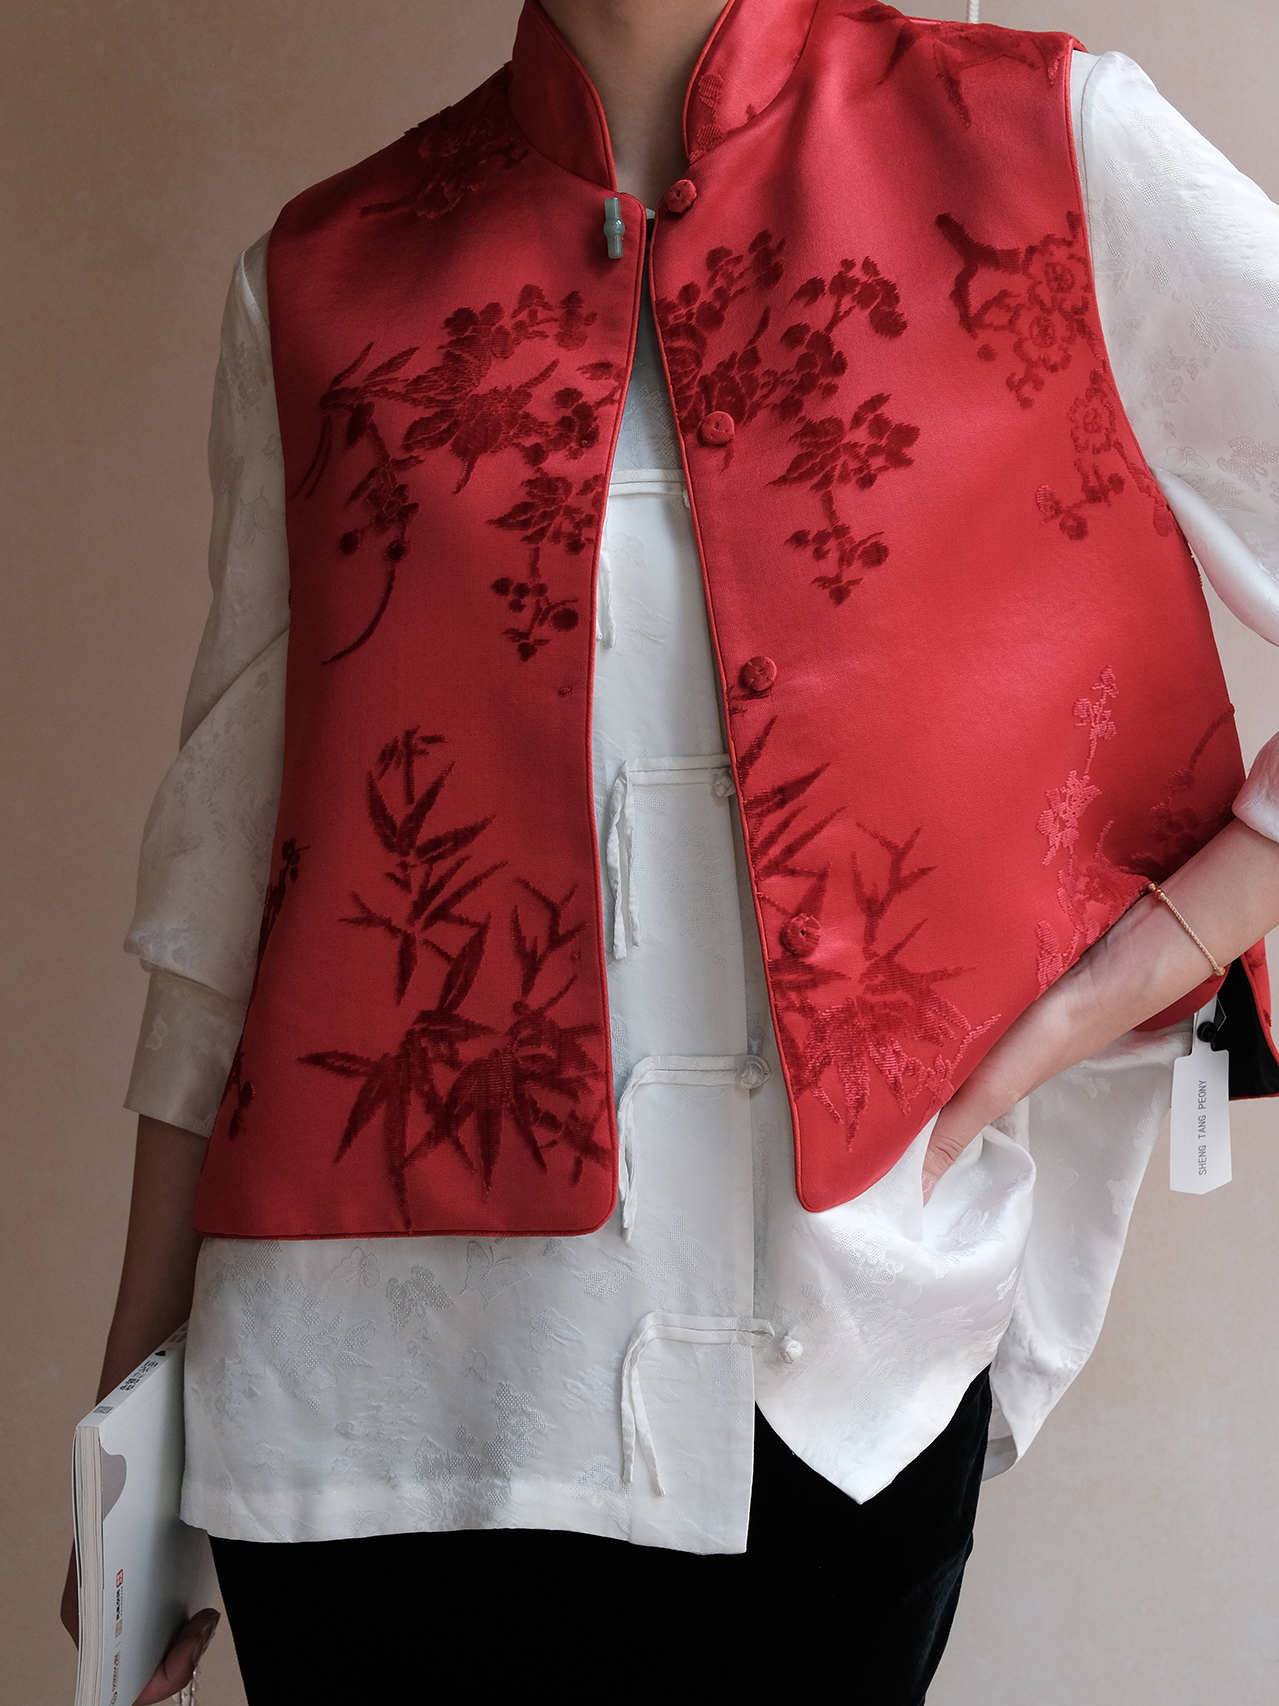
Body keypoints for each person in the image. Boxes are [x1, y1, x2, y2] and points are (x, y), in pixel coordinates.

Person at [63, 2, 1279, 1700]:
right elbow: (229, 881)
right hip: (347, 1422)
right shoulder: (324, 278)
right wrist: (136, 1407)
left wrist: (1167, 945)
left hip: (822, 1400)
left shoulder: (1045, 151)